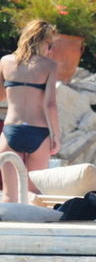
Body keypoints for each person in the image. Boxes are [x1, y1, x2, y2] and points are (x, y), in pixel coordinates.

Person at [0, 20, 60, 203]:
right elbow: (50, 104)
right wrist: (56, 136)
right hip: (39, 133)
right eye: (50, 45)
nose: (51, 50)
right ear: (43, 42)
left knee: (9, 195)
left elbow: (1, 96)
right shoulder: (49, 66)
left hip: (11, 131)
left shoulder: (5, 62)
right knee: (34, 194)